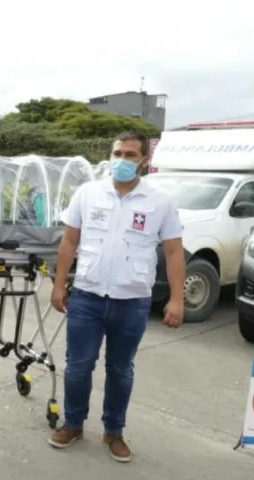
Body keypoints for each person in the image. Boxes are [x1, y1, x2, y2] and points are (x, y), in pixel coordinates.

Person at [49, 131, 185, 462]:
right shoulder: (88, 193)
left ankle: (114, 431)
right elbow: (69, 241)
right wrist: (58, 283)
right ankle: (73, 423)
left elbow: (173, 251)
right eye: (117, 153)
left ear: (144, 161)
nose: (121, 160)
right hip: (87, 297)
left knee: (121, 370)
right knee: (78, 367)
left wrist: (177, 299)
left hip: (132, 301)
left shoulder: (159, 202)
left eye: (129, 155)